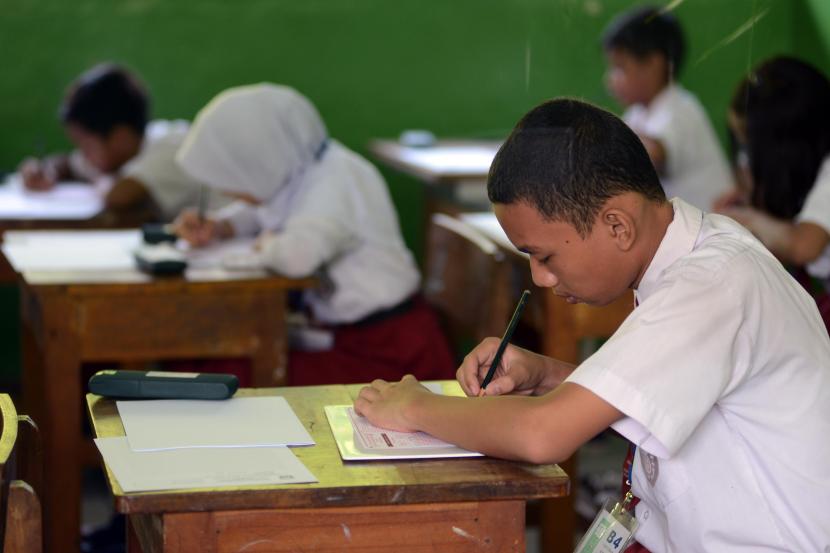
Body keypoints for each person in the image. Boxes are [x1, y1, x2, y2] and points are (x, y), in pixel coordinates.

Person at [355, 98, 830, 552]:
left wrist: (414, 407)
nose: (541, 278)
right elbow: (669, 388)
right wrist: (548, 374)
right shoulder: (702, 249)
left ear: (618, 226)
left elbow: (541, 435)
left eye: (544, 256)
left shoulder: (711, 285)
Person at [173, 83, 455, 386]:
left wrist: (264, 245)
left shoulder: (336, 181)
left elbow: (297, 257)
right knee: (201, 361)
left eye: (234, 179)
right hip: (351, 336)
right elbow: (260, 211)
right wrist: (220, 226)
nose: (230, 192)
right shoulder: (305, 167)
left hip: (389, 353)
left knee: (226, 376)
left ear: (260, 160)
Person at [18, 63, 225, 221]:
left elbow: (118, 196)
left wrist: (102, 181)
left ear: (120, 137)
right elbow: (68, 164)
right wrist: (47, 171)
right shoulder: (128, 150)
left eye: (88, 146)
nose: (85, 155)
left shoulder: (173, 146)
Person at [714, 56, 830, 327]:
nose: (746, 161)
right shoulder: (810, 167)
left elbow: (804, 246)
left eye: (749, 148)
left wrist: (748, 218)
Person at [602, 5, 731, 211]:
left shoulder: (681, 109)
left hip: (716, 231)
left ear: (654, 64)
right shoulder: (638, 113)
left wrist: (600, 134)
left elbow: (653, 154)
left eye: (620, 68)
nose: (610, 80)